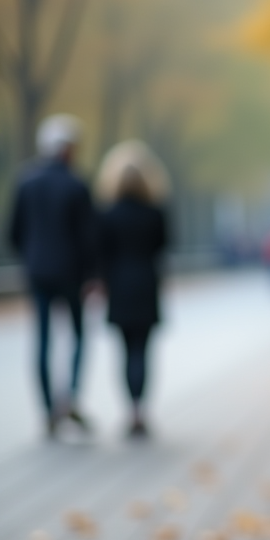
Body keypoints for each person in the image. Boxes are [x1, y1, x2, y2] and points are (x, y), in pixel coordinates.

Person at [6, 114, 97, 438]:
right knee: (77, 336)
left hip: (38, 272)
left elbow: (14, 231)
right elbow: (89, 236)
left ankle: (47, 409)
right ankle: (69, 396)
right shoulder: (77, 184)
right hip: (71, 273)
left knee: (42, 339)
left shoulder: (25, 181)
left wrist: (31, 259)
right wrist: (92, 275)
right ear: (68, 149)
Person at [95, 140, 170, 439]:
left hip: (119, 286)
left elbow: (100, 252)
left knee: (125, 351)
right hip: (147, 283)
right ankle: (141, 409)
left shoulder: (108, 214)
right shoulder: (155, 212)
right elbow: (163, 246)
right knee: (144, 350)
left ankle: (130, 408)